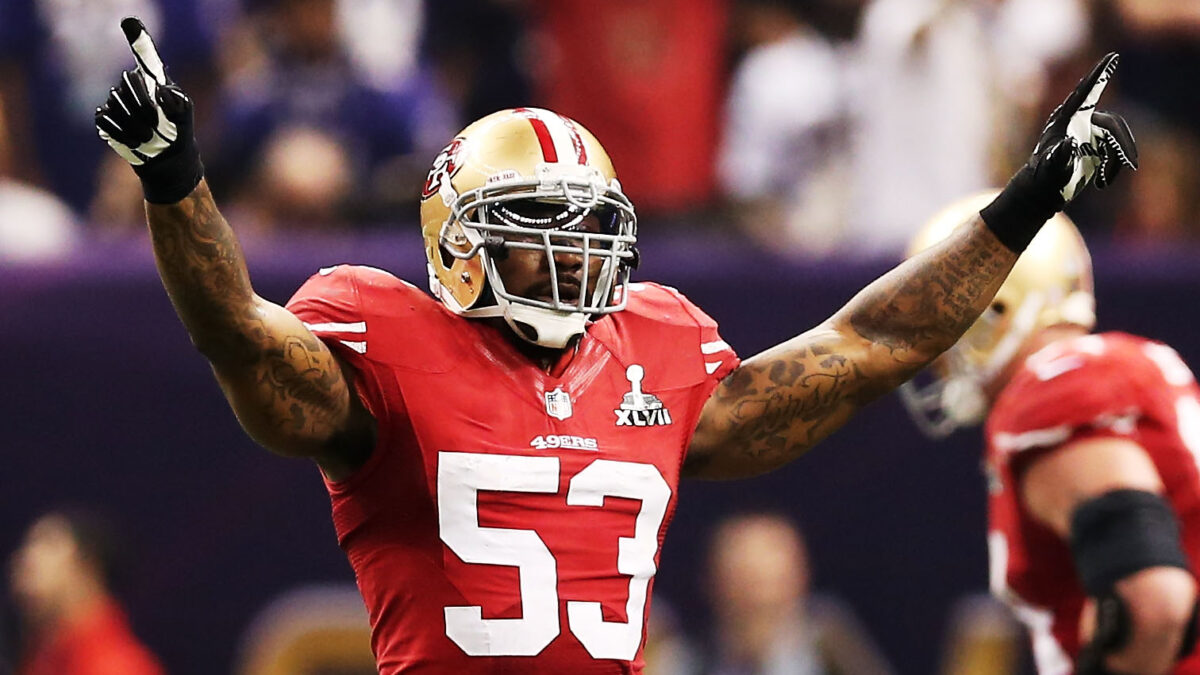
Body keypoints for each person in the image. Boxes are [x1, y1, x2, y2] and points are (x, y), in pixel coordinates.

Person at [92, 16, 1134, 674]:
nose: (570, 257)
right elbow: (236, 334)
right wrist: (173, 178)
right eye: (536, 229)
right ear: (456, 247)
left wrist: (1030, 197)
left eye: (587, 230)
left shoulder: (658, 351)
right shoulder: (384, 338)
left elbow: (870, 344)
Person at [900, 192, 1200, 674]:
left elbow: (1151, 601)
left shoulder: (1052, 389)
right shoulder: (1136, 365)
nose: (931, 349)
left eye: (936, 317)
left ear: (991, 307)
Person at [702, 512, 895, 674]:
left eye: (773, 580)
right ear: (713, 582)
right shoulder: (688, 659)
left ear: (801, 576)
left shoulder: (831, 646)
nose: (758, 596)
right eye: (746, 578)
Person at [9, 510, 165, 675]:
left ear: (88, 566)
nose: (25, 559)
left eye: (47, 543)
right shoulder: (41, 658)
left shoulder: (120, 667)